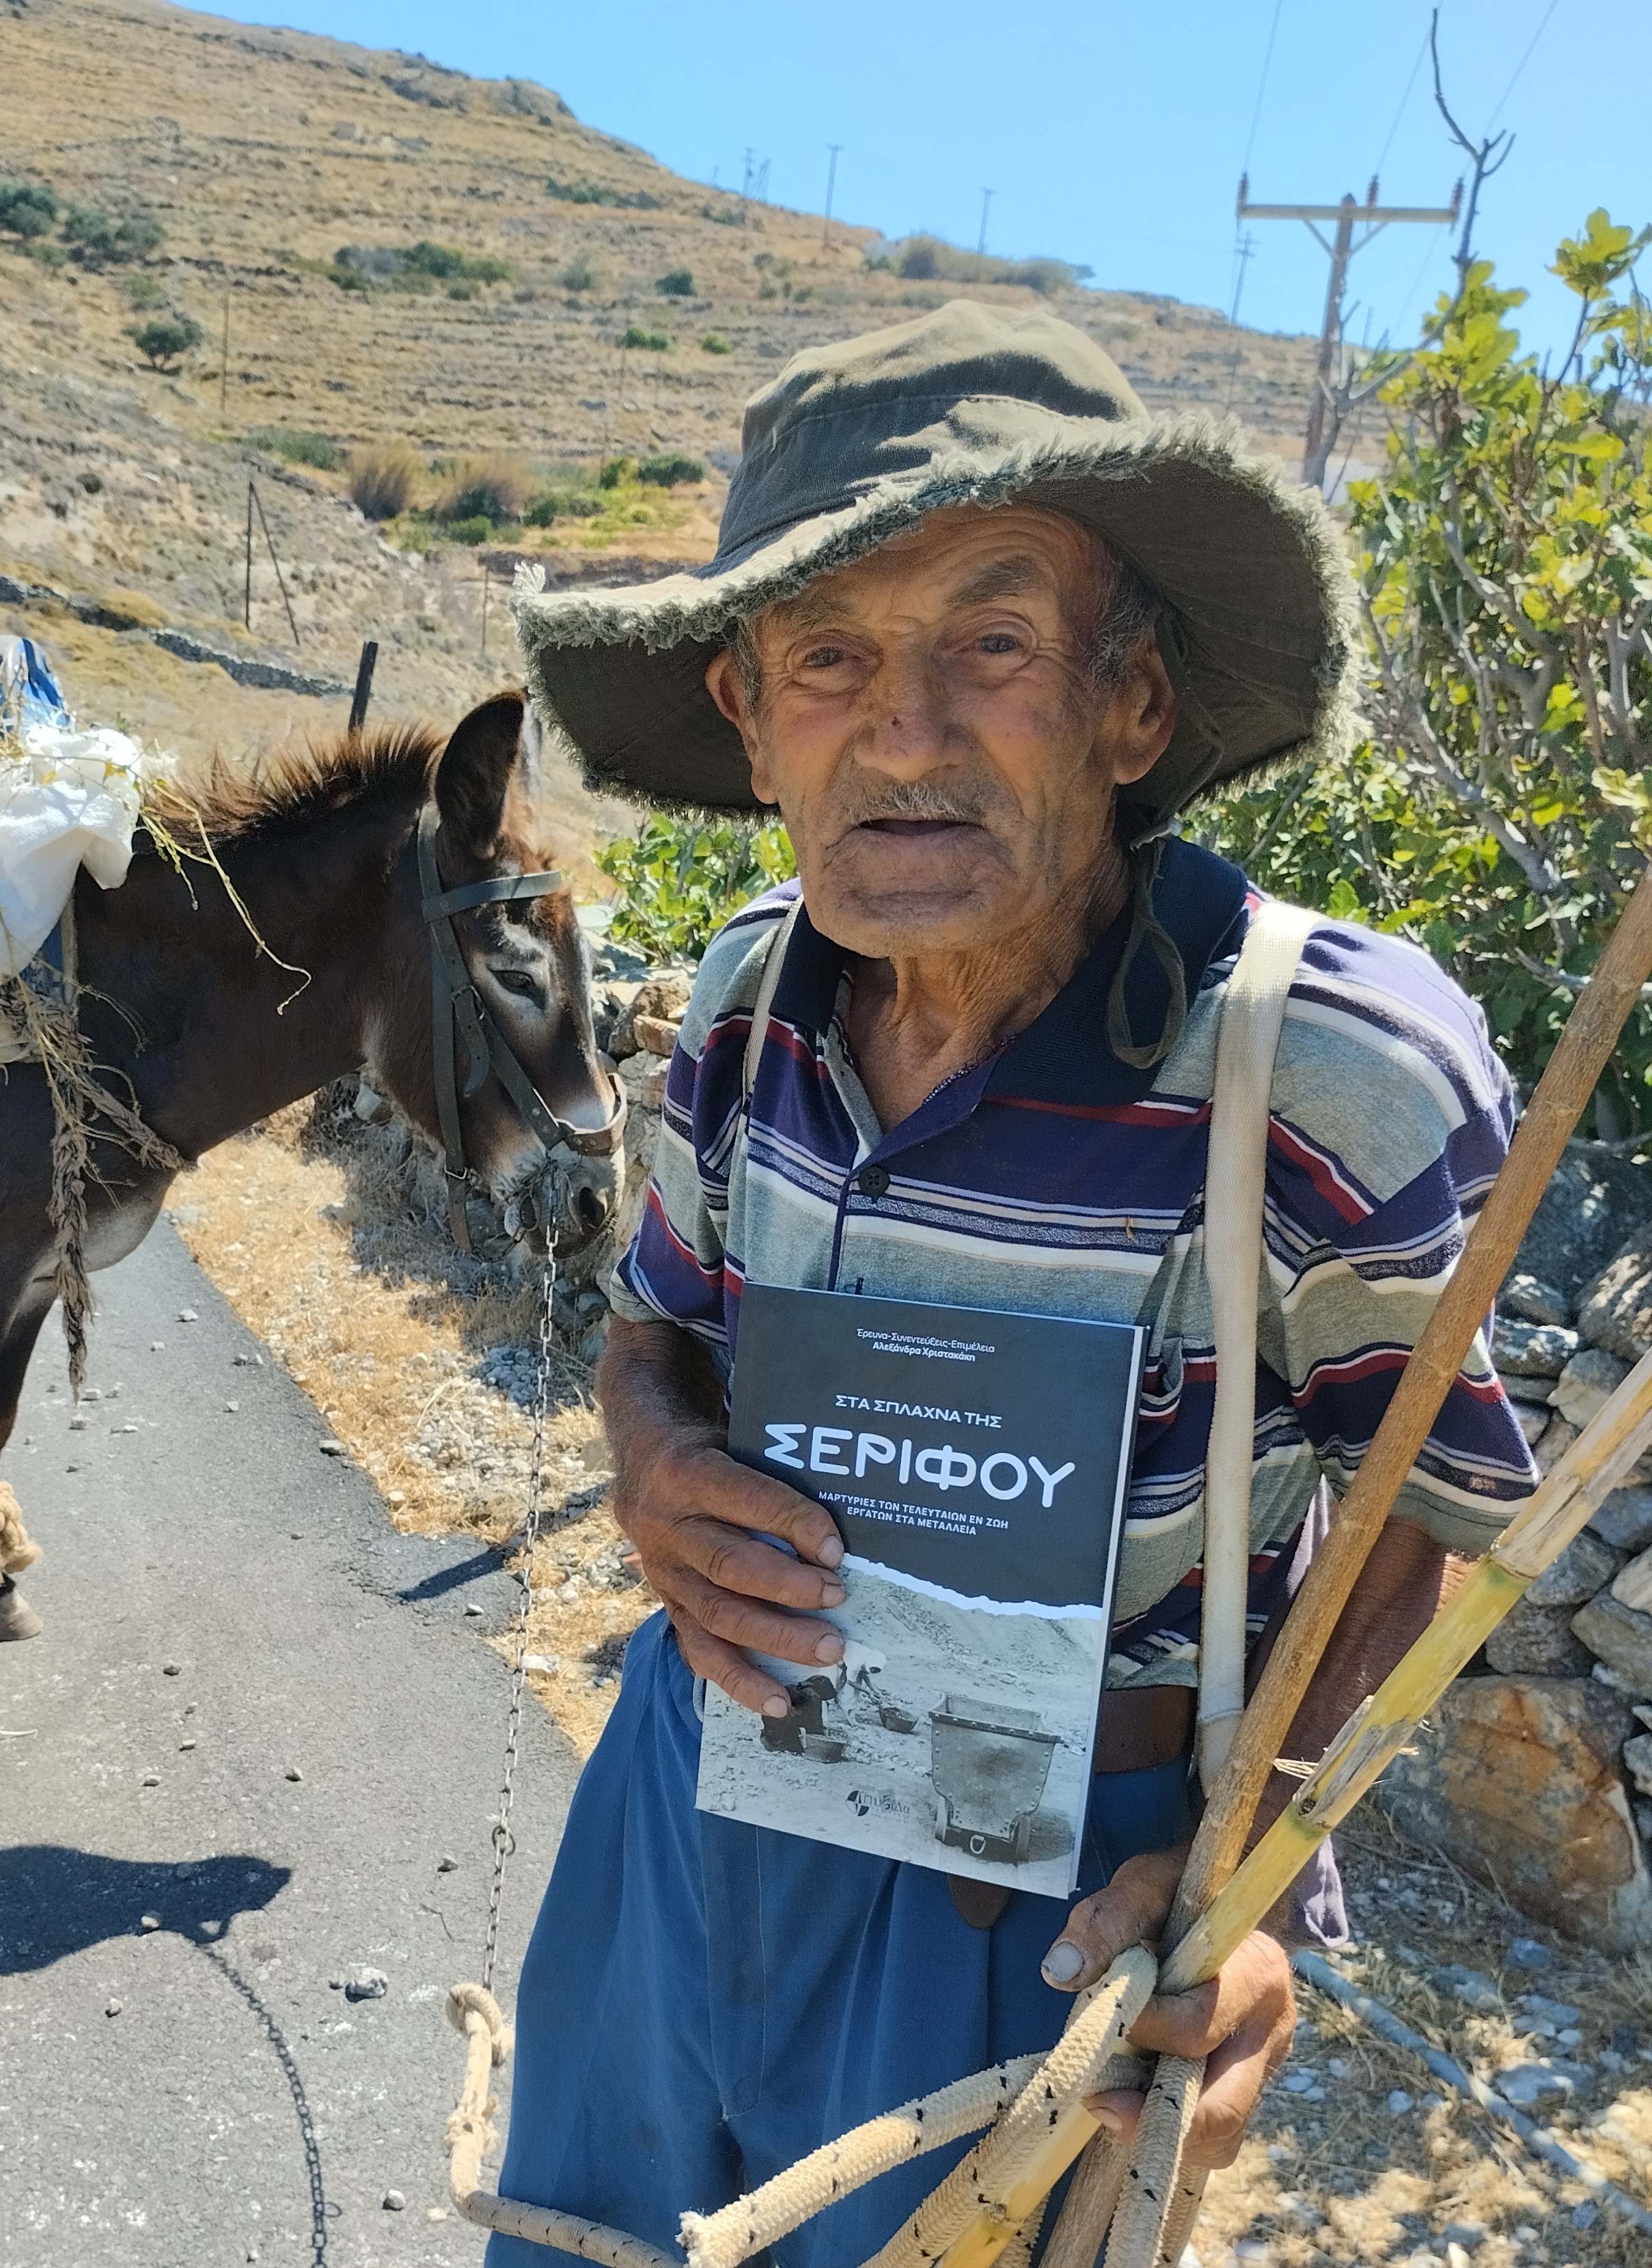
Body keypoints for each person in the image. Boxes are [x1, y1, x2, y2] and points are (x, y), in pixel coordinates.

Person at [497, 301, 1538, 2265]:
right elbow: (660, 1326)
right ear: (746, 711)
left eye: (992, 642)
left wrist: (1245, 1881)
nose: (903, 734)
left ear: (1132, 708)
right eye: (829, 658)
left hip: (1036, 1897)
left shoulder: (1323, 1070)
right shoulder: (745, 996)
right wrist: (648, 1476)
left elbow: (1442, 1517)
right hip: (690, 1789)